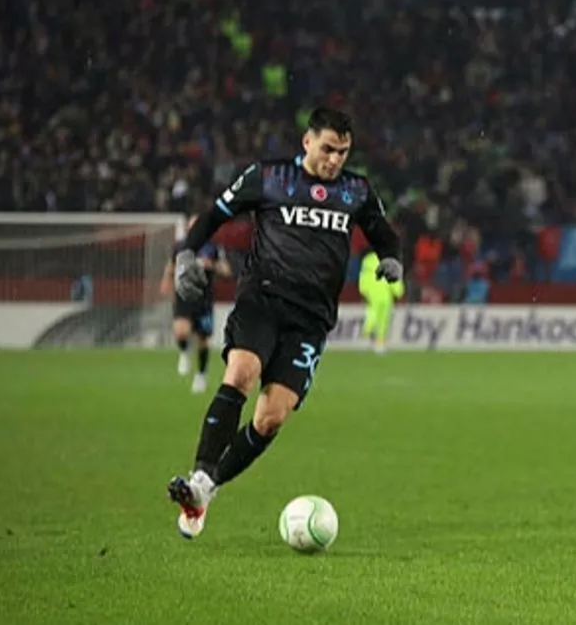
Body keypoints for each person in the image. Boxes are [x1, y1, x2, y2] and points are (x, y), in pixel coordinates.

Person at [167, 107, 403, 539]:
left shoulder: (357, 190)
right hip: (263, 299)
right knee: (241, 372)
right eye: (328, 149)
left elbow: (382, 231)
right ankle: (200, 476)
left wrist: (391, 258)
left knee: (270, 418)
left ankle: (206, 491)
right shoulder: (269, 177)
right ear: (307, 142)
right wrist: (185, 254)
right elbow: (215, 215)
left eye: (343, 152)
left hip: (310, 318)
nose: (335, 159)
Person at [160, 215, 233, 393]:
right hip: (184, 294)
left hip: (204, 298)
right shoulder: (180, 246)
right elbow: (170, 266)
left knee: (203, 340)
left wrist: (212, 265)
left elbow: (227, 271)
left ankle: (201, 374)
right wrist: (166, 282)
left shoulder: (213, 248)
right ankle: (184, 352)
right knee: (181, 331)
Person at [358, 248, 406, 353]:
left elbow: (364, 276)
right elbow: (394, 276)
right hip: (384, 293)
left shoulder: (367, 260)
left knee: (373, 316)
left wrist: (364, 290)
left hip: (373, 293)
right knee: (383, 319)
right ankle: (378, 342)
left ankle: (366, 338)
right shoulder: (389, 259)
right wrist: (398, 291)